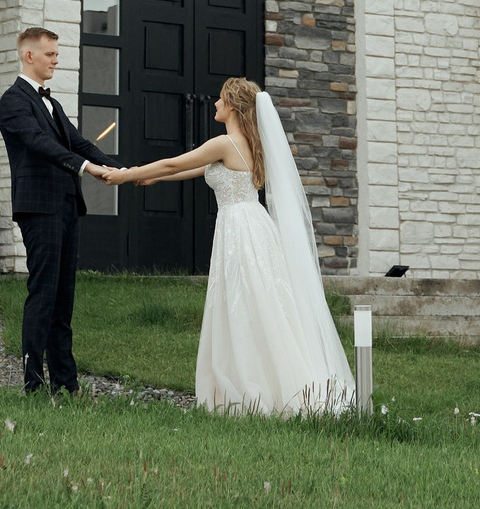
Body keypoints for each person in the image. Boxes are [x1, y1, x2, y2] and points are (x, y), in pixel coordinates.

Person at [107, 76, 354, 415]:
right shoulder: (249, 144)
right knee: (257, 304)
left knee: (248, 302)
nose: (215, 104)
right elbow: (188, 170)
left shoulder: (226, 143)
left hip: (241, 229)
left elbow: (176, 161)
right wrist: (152, 177)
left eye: (221, 99)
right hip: (252, 225)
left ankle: (260, 388)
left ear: (234, 107)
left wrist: (127, 174)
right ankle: (260, 378)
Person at [0, 25, 118, 394]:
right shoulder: (14, 101)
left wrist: (118, 169)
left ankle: (66, 385)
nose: (56, 60)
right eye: (50, 54)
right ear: (28, 55)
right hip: (40, 208)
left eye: (57, 54)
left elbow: (78, 142)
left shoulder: (52, 102)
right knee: (43, 293)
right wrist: (86, 169)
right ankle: (33, 384)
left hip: (66, 206)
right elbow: (38, 144)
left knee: (63, 298)